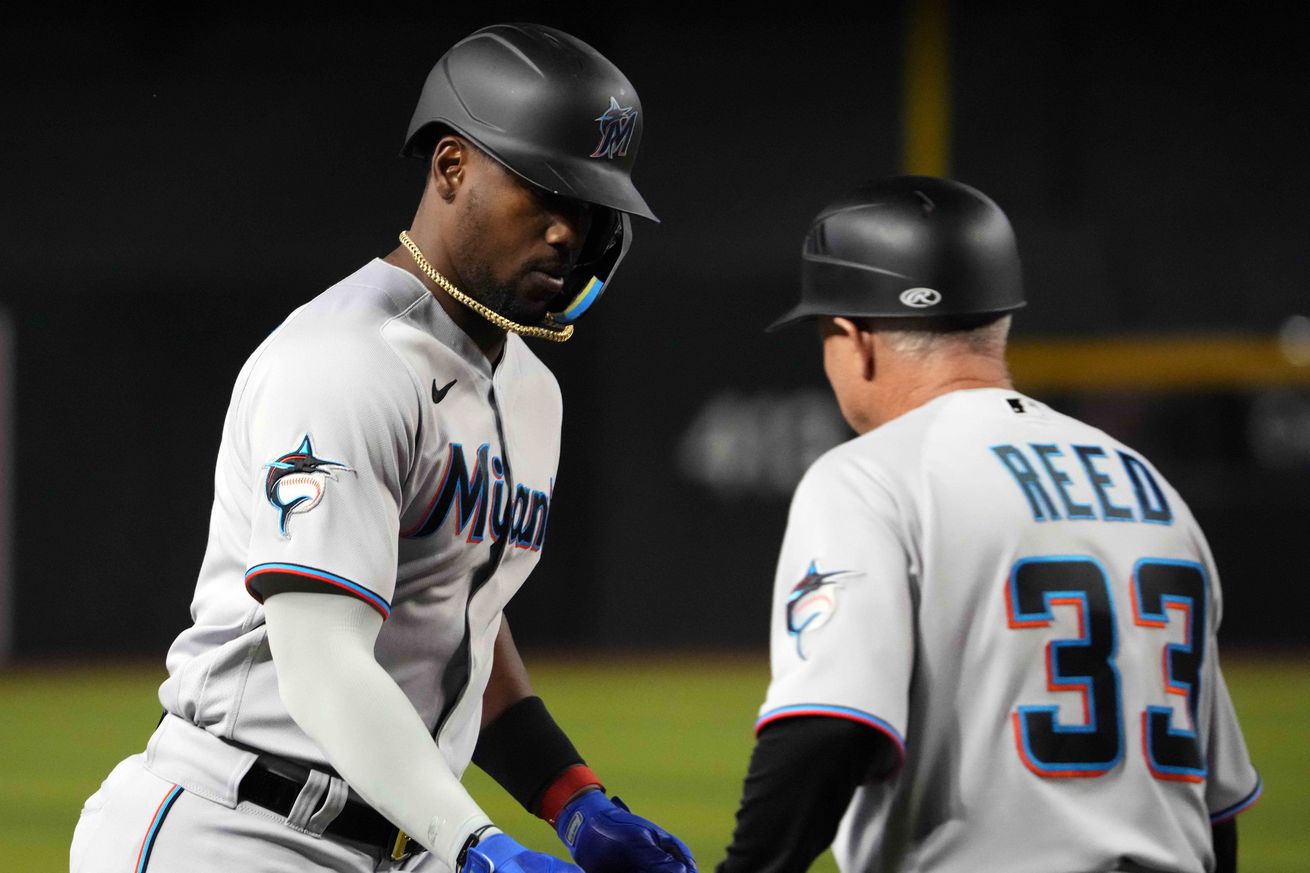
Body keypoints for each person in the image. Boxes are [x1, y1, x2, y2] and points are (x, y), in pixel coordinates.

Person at [70, 23, 694, 873]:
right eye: (544, 189)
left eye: (589, 206)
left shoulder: (528, 386)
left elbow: (456, 609)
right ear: (450, 168)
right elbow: (322, 659)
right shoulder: (342, 362)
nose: (567, 231)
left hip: (409, 838)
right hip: (240, 828)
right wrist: (479, 844)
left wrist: (572, 798)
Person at [717, 176, 1261, 873]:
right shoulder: (1148, 485)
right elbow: (1215, 808)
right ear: (998, 321)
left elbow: (827, 727)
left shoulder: (869, 475)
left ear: (855, 339)